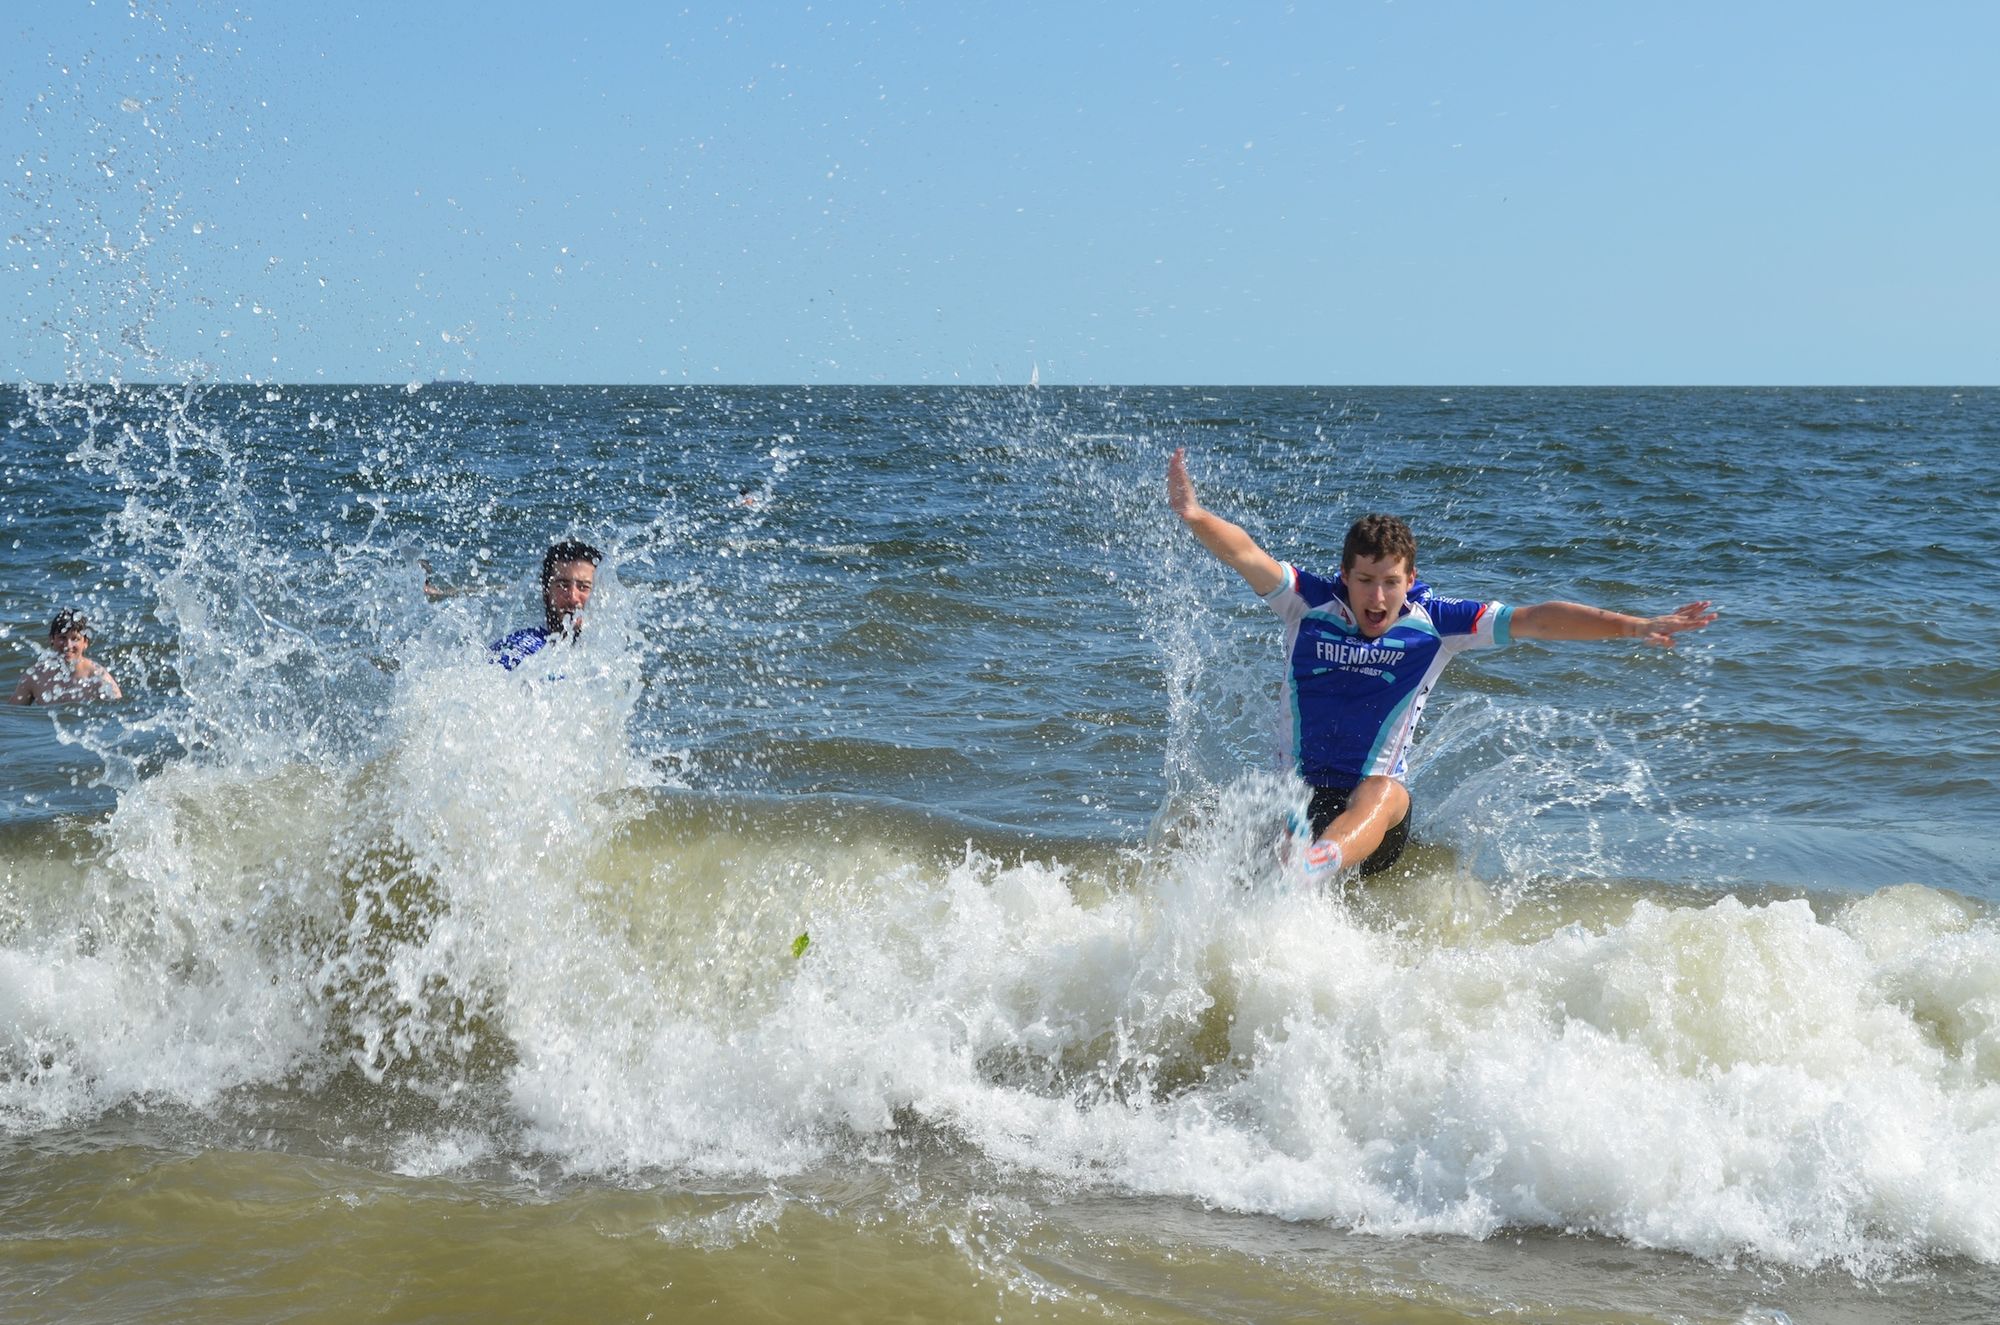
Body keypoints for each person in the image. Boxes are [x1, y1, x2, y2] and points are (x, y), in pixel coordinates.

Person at [1166, 447, 1716, 880]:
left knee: (1385, 791)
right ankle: (1281, 864)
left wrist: (1635, 625)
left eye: (1389, 582)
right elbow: (1246, 554)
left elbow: (1537, 619)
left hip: (1376, 820)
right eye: (1364, 581)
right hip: (1299, 798)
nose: (1376, 597)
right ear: (1345, 577)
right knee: (1242, 809)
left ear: (1409, 580)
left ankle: (1317, 862)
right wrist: (1194, 515)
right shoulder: (1307, 603)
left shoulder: (1436, 622)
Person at [489, 540, 602, 671]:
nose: (572, 597)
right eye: (563, 585)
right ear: (546, 592)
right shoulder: (524, 649)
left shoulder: (607, 653)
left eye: (583, 587)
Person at [11, 609, 123, 704]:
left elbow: (118, 713)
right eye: (62, 638)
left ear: (85, 643)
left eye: (75, 639)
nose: (68, 646)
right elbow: (12, 715)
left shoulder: (99, 677)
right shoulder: (34, 677)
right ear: (52, 639)